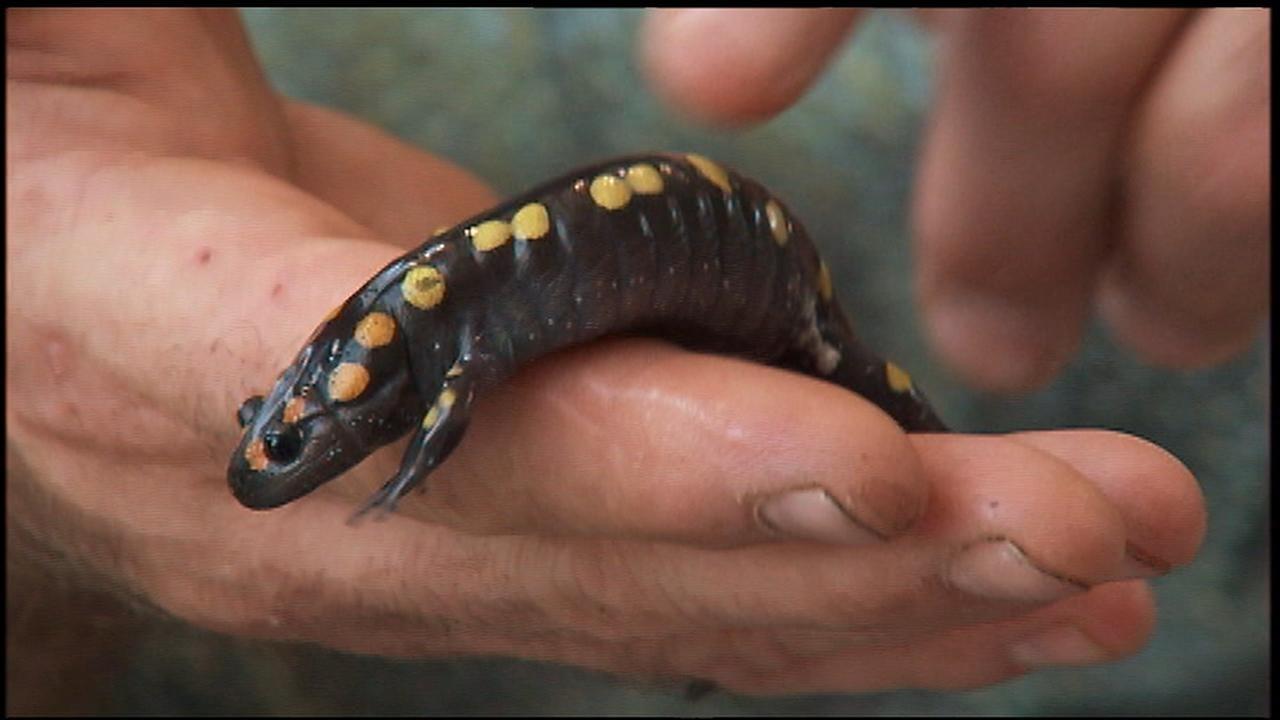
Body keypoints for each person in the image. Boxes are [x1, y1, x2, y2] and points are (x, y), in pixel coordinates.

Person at [5, 8, 1264, 697]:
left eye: (289, 440)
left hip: (760, 257)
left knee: (852, 397)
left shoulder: (423, 353)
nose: (289, 456)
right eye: (285, 441)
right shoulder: (400, 343)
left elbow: (439, 412)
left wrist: (396, 482)